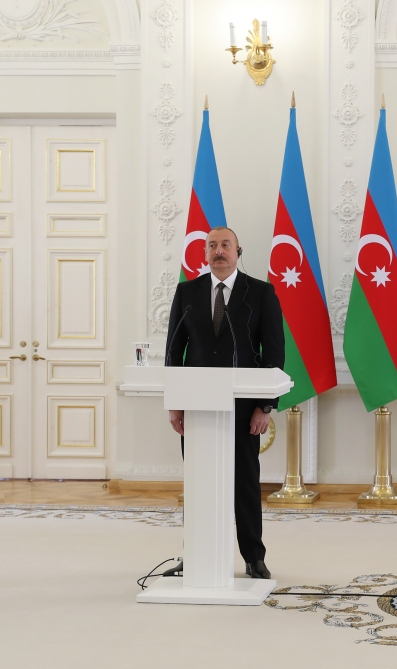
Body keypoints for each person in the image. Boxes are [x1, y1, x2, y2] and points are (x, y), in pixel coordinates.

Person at [164, 227, 285, 579]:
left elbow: (274, 352)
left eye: (225, 245)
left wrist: (265, 405)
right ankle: (195, 554)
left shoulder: (260, 293)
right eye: (212, 246)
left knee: (244, 482)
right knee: (198, 482)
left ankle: (253, 556)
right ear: (204, 254)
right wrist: (175, 402)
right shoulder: (187, 292)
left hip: (244, 407)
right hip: (196, 404)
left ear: (238, 251)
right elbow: (174, 350)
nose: (219, 251)